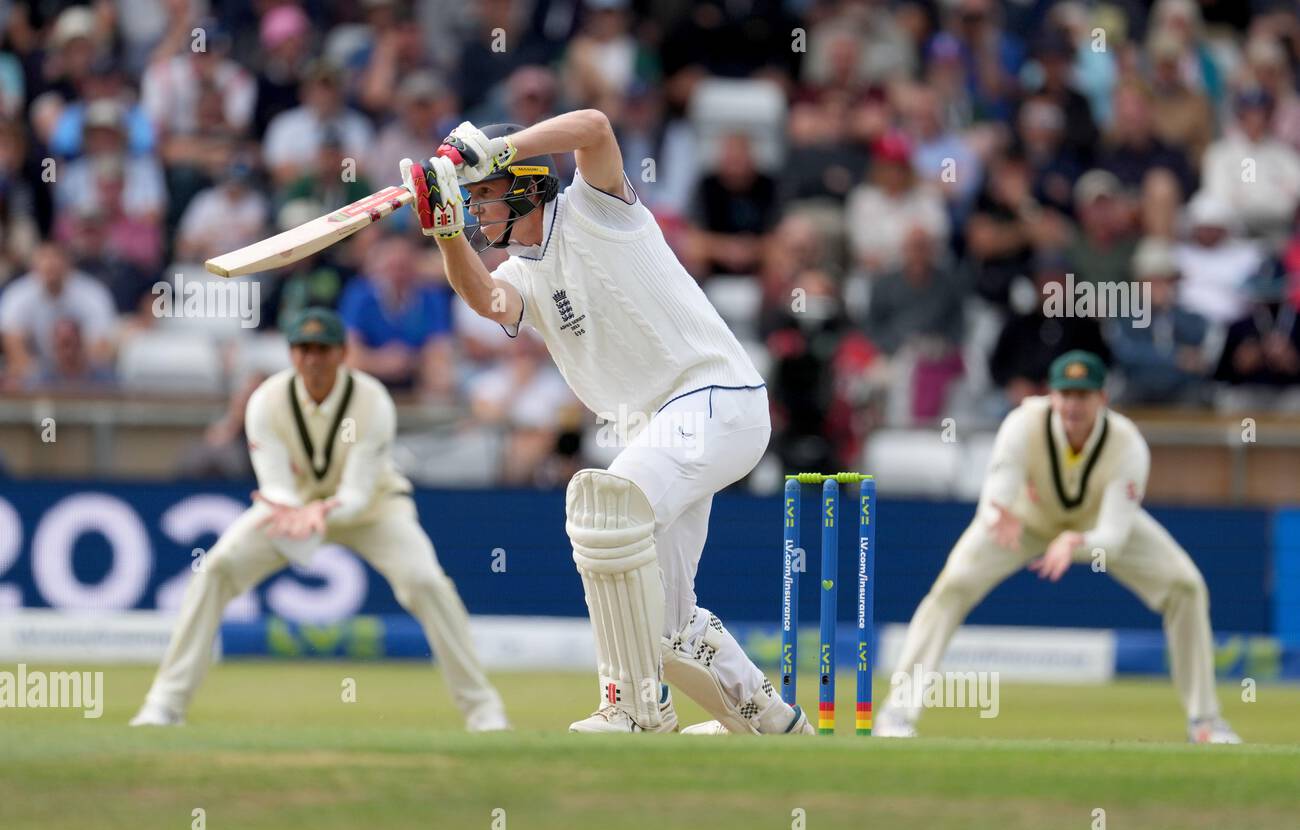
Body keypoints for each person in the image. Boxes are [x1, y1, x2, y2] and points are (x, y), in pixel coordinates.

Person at [400, 111, 812, 735]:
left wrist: (493, 148)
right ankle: (775, 726)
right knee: (670, 626)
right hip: (665, 431)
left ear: (525, 186)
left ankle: (632, 707)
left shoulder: (595, 208)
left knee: (605, 507)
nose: (478, 211)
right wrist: (446, 232)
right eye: (472, 203)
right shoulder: (522, 274)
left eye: (485, 196)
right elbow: (487, 300)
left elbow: (593, 126)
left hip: (715, 397)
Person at [130, 308, 508, 731]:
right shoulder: (266, 402)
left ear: (342, 354)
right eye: (303, 349)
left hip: (373, 511)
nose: (313, 359)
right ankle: (165, 705)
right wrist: (294, 509)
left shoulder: (373, 401)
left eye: (322, 350)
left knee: (426, 582)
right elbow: (274, 484)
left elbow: (358, 493)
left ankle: (484, 711)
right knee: (216, 570)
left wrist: (322, 511)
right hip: (291, 511)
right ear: (291, 354)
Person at [874, 350, 1241, 744]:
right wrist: (998, 515)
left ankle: (1204, 720)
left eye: (1083, 395)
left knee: (1185, 586)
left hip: (1094, 527)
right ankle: (897, 713)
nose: (1072, 405)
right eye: (1065, 394)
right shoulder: (1022, 425)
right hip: (1023, 524)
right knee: (952, 586)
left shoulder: (1127, 444)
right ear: (1052, 396)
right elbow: (994, 497)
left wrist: (1077, 542)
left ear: (1102, 398)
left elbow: (1113, 540)